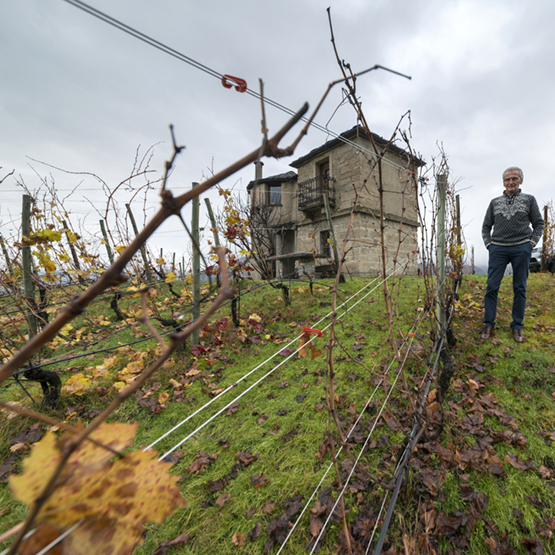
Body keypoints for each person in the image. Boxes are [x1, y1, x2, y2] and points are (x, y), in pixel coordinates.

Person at [480, 167, 544, 342]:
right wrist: (489, 245)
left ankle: (517, 326)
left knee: (520, 288)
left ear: (520, 181)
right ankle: (488, 324)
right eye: (507, 179)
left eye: (514, 179)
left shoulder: (529, 200)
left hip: (521, 249)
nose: (511, 182)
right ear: (503, 182)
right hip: (498, 249)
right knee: (492, 287)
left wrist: (531, 244)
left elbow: (539, 223)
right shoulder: (494, 202)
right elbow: (486, 226)